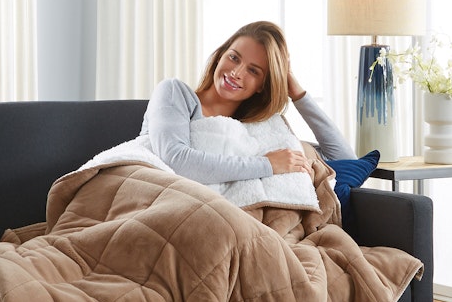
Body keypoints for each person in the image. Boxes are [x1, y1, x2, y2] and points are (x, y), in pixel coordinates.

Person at [139, 20, 355, 186]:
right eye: (233, 57)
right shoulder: (174, 93)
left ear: (263, 84)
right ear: (220, 55)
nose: (236, 73)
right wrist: (268, 164)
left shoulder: (255, 131)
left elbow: (347, 162)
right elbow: (176, 161)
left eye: (253, 71)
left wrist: (296, 92)